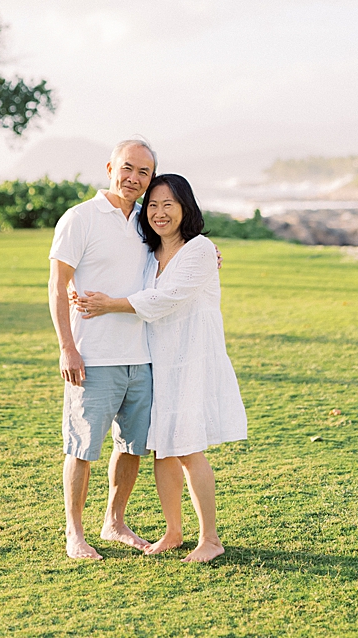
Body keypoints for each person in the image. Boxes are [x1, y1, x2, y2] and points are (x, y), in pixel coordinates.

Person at [74, 173, 248, 563]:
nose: (159, 212)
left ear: (186, 207)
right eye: (152, 205)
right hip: (159, 360)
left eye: (168, 204)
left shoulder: (201, 249)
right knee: (164, 449)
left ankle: (211, 540)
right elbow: (111, 270)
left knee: (188, 448)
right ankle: (173, 530)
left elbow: (165, 298)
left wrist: (109, 304)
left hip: (193, 360)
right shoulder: (148, 255)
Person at [49, 137, 159, 560]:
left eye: (144, 172)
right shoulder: (80, 219)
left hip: (142, 356)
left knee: (132, 446)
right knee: (81, 447)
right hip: (92, 357)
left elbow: (177, 251)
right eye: (127, 168)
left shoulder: (147, 222)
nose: (134, 178)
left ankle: (114, 522)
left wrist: (209, 254)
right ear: (110, 168)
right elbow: (58, 286)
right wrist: (67, 348)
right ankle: (74, 533)